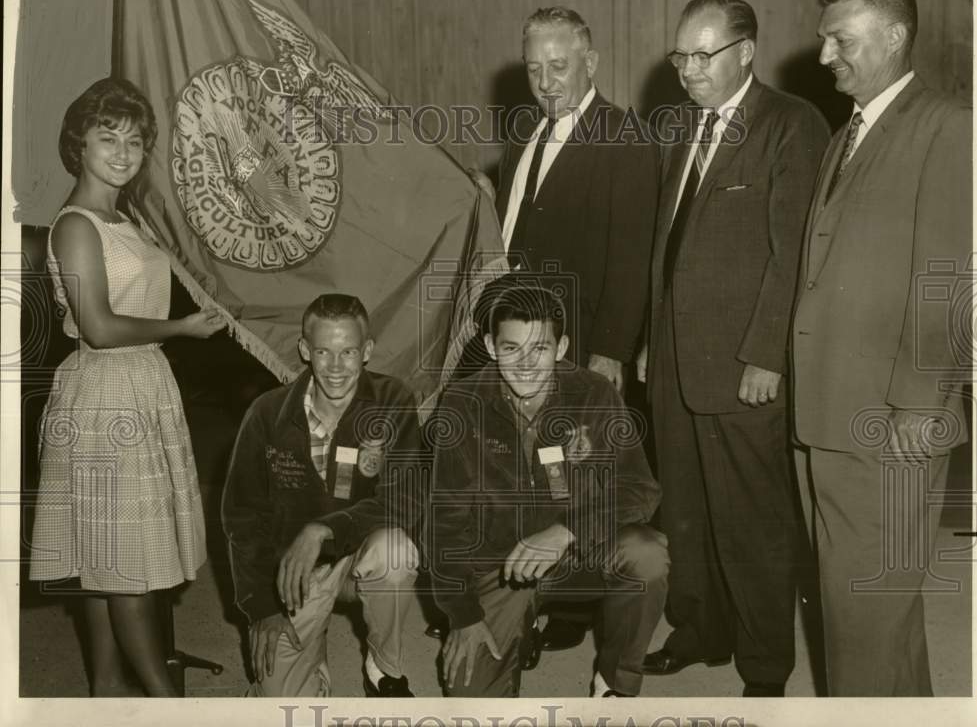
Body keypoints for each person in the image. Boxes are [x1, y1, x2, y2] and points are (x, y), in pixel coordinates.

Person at [639, 0, 829, 696]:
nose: (688, 69)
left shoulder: (791, 125)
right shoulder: (679, 126)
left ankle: (765, 663)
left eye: (702, 54)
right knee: (686, 516)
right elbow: (669, 245)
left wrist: (766, 356)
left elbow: (792, 258)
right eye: (679, 55)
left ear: (745, 52)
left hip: (743, 366)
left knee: (752, 521)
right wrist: (650, 341)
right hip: (673, 360)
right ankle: (701, 630)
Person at [791, 0, 971, 696]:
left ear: (894, 36)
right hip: (831, 414)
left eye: (841, 37)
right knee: (867, 617)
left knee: (866, 616)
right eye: (824, 38)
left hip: (892, 421)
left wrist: (922, 403)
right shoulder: (848, 135)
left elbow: (950, 276)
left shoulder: (947, 125)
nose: (826, 53)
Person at [28, 77, 224, 696]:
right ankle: (168, 705)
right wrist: (184, 328)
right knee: (128, 567)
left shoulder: (126, 216)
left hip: (141, 384)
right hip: (105, 394)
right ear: (77, 144)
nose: (121, 152)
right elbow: (98, 326)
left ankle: (107, 695)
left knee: (107, 562)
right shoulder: (76, 225)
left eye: (134, 142)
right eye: (106, 137)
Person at [489, 5, 659, 656]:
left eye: (559, 66)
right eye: (534, 68)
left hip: (583, 346)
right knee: (528, 476)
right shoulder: (524, 133)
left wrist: (611, 351)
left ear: (591, 62)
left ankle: (579, 605)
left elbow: (631, 256)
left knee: (581, 477)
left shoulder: (625, 136)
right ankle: (537, 601)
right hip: (523, 348)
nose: (546, 80)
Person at [427, 284, 669, 697]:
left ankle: (614, 684)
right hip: (501, 565)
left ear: (562, 348)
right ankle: (517, 628)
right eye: (511, 348)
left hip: (579, 552)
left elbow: (639, 489)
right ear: (489, 345)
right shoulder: (462, 403)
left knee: (646, 555)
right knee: (471, 707)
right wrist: (463, 617)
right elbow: (445, 520)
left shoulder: (594, 392)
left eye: (539, 349)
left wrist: (566, 531)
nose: (524, 365)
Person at [221, 293, 424, 697]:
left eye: (348, 352)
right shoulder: (267, 413)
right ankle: (311, 660)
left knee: (395, 553)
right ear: (303, 350)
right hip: (294, 572)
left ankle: (384, 669)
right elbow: (242, 516)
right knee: (277, 708)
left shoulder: (393, 401)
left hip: (360, 555)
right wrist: (260, 606)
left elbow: (404, 500)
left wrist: (321, 530)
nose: (335, 367)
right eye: (323, 352)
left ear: (367, 351)